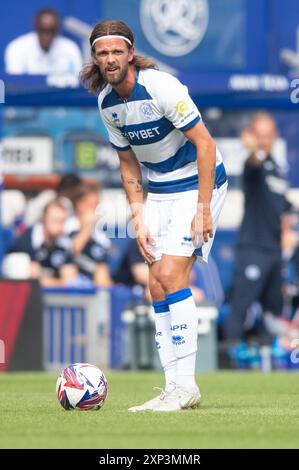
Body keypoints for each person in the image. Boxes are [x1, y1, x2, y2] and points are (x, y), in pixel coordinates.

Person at [81, 20, 227, 412]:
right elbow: (128, 165)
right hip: (159, 190)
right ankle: (172, 387)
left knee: (170, 276)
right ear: (94, 59)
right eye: (102, 53)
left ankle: (187, 386)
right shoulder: (106, 104)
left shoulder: (161, 87)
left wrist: (202, 209)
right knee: (155, 287)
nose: (110, 59)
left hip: (199, 183)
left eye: (116, 51)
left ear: (130, 54)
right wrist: (138, 218)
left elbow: (206, 145)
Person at [226, 113, 292, 344]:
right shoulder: (253, 163)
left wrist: (287, 231)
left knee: (273, 310)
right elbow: (253, 164)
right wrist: (252, 150)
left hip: (274, 250)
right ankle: (231, 356)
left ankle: (268, 359)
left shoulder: (278, 169)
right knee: (242, 304)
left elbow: (282, 206)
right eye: (259, 135)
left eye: (268, 135)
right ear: (254, 136)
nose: (264, 140)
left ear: (275, 136)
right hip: (253, 248)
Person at [9, 199, 78, 286]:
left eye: (63, 221)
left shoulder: (64, 243)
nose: (60, 227)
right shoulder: (26, 240)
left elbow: (70, 281)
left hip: (57, 297)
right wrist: (60, 282)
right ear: (44, 218)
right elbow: (33, 281)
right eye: (55, 220)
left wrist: (54, 282)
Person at [5, 9, 82, 77]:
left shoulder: (70, 49)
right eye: (42, 30)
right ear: (35, 27)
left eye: (52, 30)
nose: (47, 35)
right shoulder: (17, 49)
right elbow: (15, 85)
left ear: (58, 30)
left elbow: (79, 84)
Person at [70, 184, 112, 287]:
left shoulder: (101, 236)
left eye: (97, 205)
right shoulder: (68, 225)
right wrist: (86, 228)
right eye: (91, 205)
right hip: (70, 283)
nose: (95, 210)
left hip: (94, 285)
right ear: (79, 204)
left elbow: (103, 268)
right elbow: (71, 252)